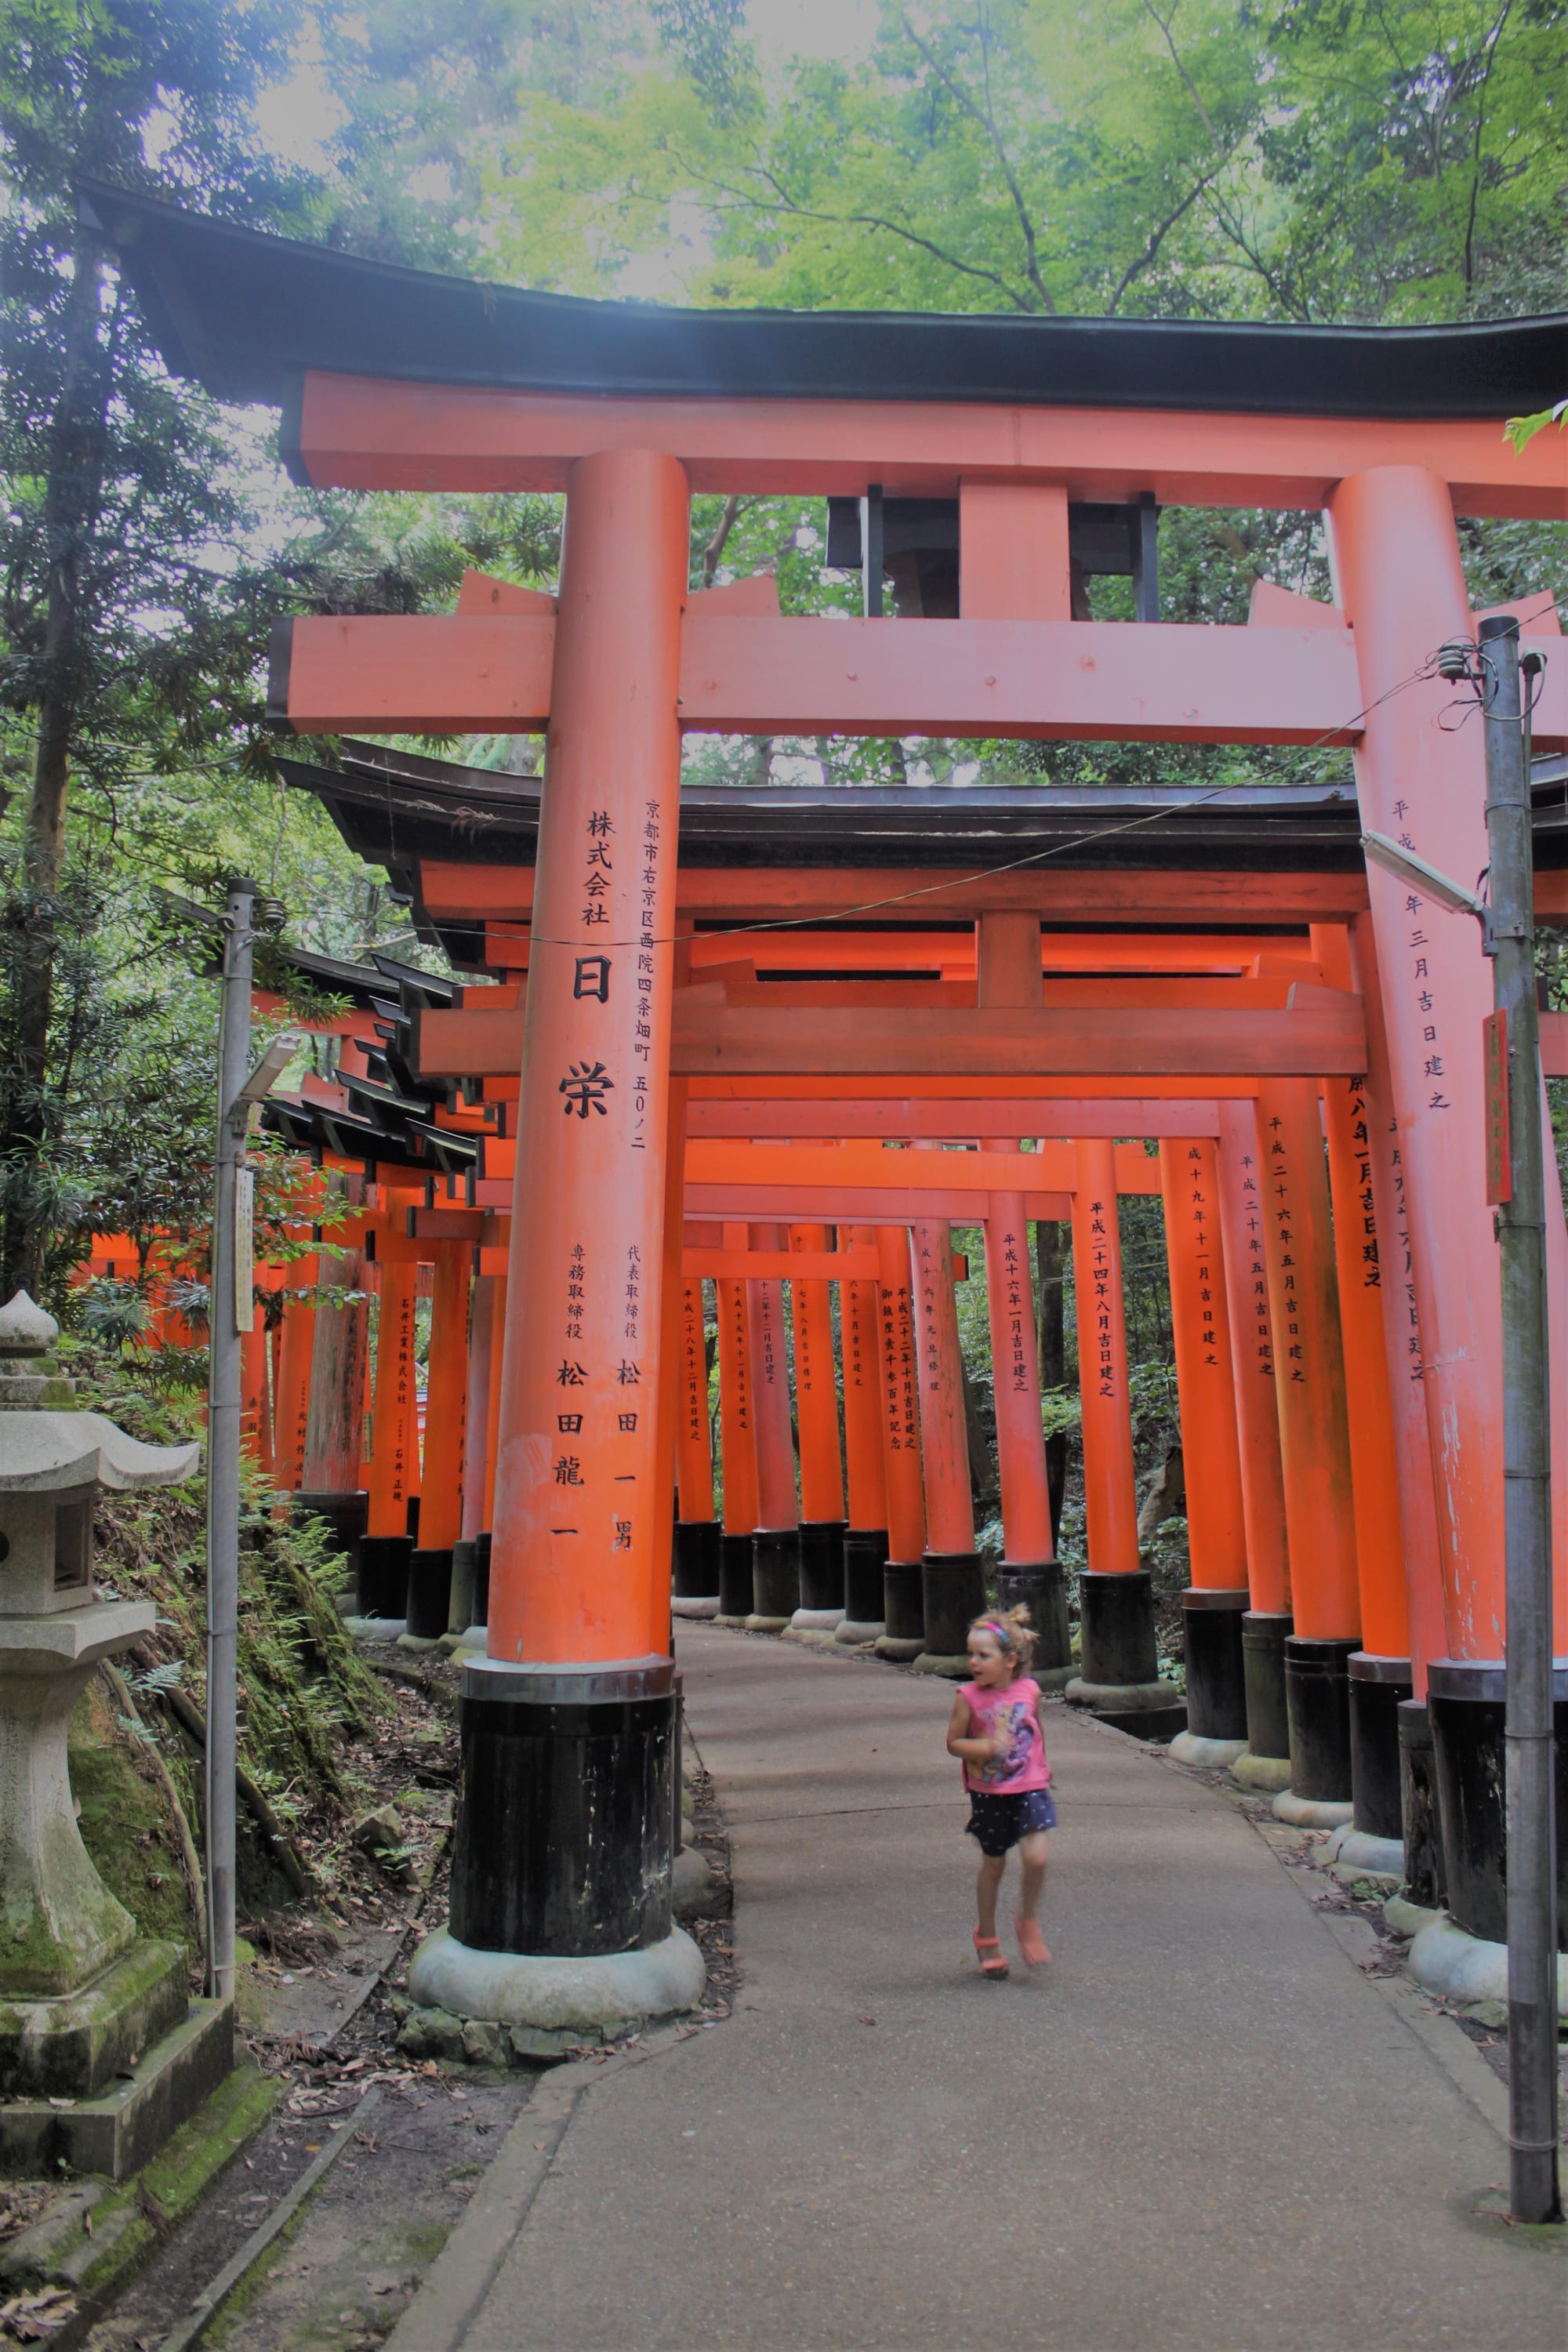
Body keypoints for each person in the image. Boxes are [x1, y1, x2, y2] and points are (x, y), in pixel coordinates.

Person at [946, 1606, 1055, 1979]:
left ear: (1010, 1660)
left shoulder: (1030, 1691)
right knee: (994, 1864)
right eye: (971, 1654)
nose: (974, 1662)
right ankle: (987, 1935)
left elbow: (1036, 1729)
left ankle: (1027, 1918)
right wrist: (987, 1747)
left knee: (1037, 1858)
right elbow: (954, 1743)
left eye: (983, 1655)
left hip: (1030, 1785)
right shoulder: (968, 1697)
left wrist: (1044, 1765)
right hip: (990, 1791)